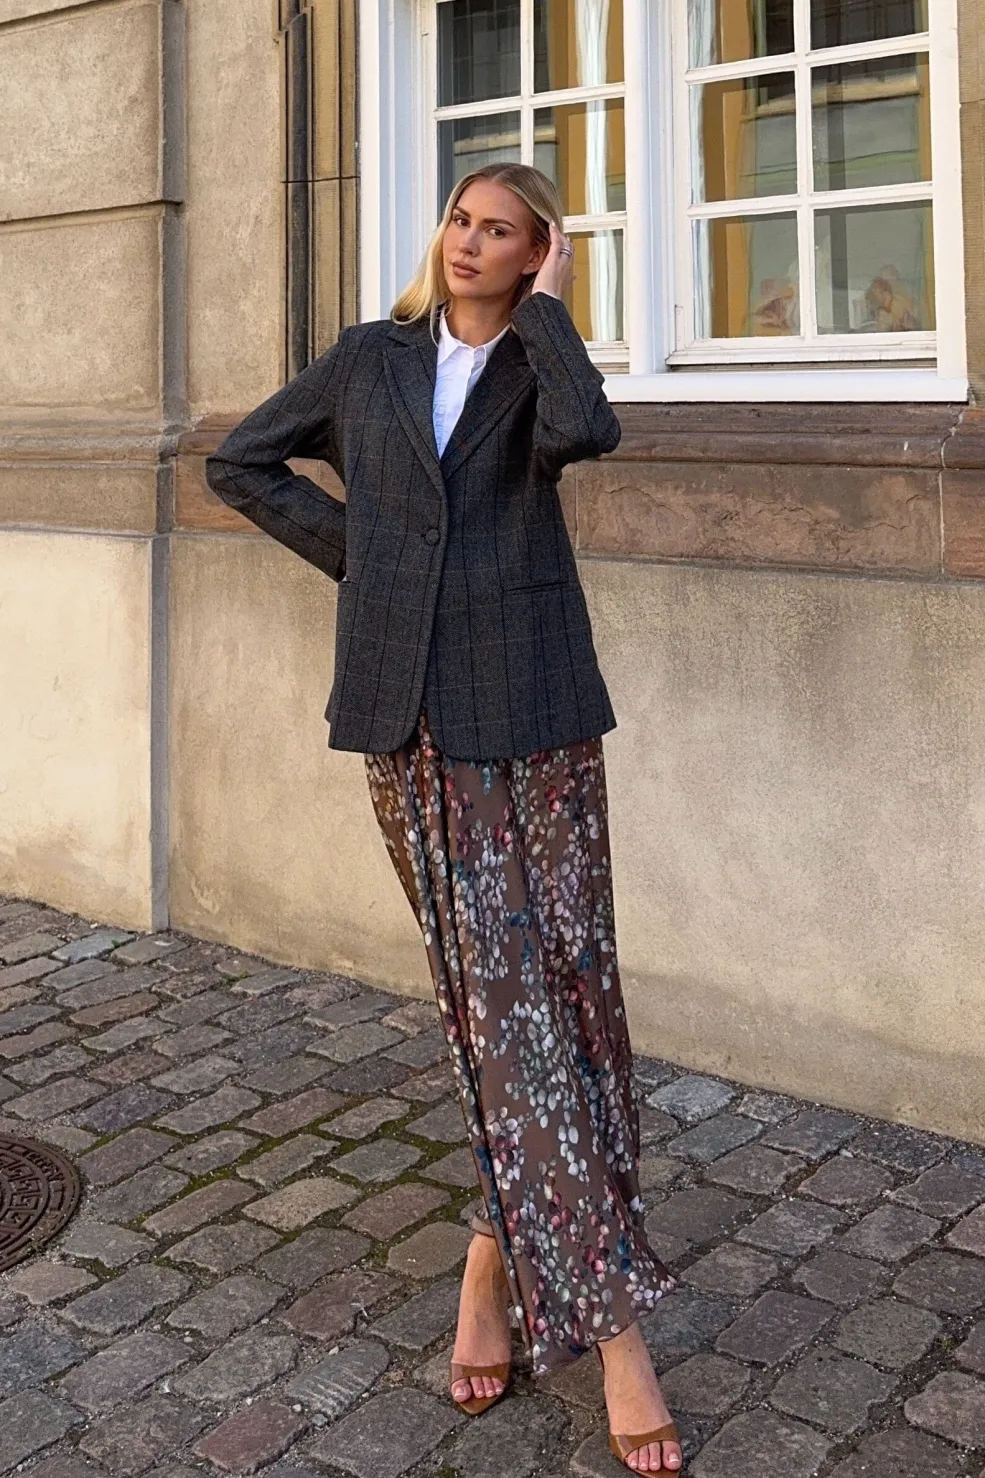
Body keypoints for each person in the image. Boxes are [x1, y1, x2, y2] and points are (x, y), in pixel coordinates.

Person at [206, 163, 681, 1474]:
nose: (469, 242)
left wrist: (553, 314)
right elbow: (240, 460)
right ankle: (615, 1330)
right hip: (412, 720)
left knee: (572, 996)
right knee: (497, 1012)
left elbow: (589, 433)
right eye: (462, 220)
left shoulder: (537, 365)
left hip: (540, 712)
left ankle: (489, 1255)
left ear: (535, 253)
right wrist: (366, 557)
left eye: (501, 232)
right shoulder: (370, 360)